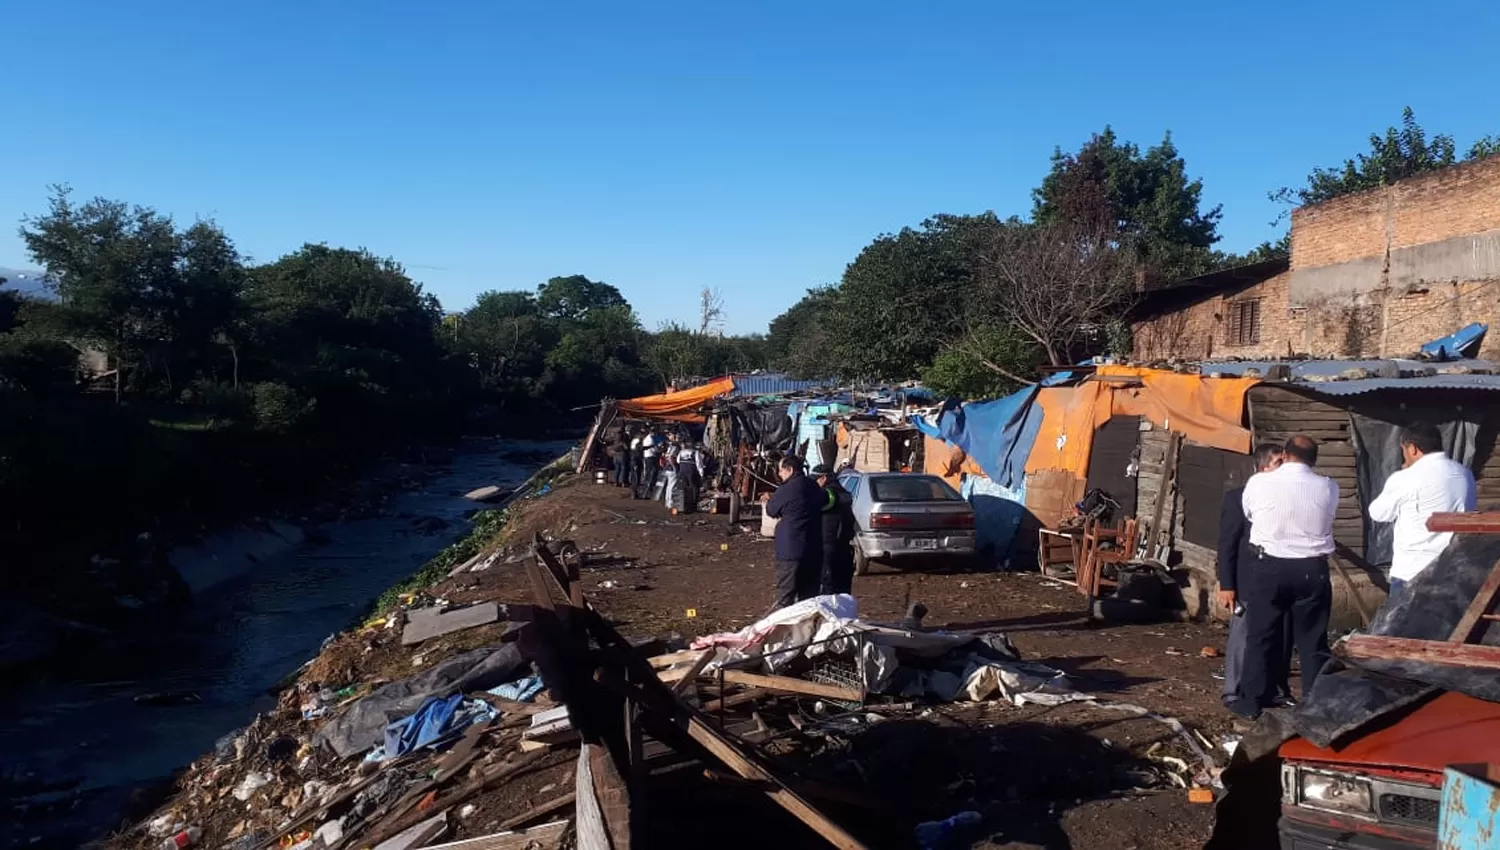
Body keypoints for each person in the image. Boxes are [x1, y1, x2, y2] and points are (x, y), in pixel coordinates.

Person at [1234, 434, 1338, 719]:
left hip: (1269, 565)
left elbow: (1250, 513)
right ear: (1314, 460)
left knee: (1260, 637)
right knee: (1313, 641)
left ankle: (1250, 704)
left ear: (1285, 455)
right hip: (1312, 569)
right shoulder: (1329, 487)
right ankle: (1315, 707)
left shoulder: (1259, 482)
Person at [1217, 443, 1294, 709]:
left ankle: (1276, 690)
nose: (1285, 470)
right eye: (1279, 464)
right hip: (1247, 580)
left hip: (1280, 578)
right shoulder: (1238, 498)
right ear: (1263, 468)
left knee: (1280, 636)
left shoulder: (1287, 499)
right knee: (1243, 635)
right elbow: (1227, 543)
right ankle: (1234, 691)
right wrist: (1227, 584)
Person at [1368, 421, 1476, 602]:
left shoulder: (1406, 477)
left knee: (1403, 629)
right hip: (1452, 569)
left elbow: (1378, 513)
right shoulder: (1464, 473)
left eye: (1403, 450)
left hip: (1413, 572)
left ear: (1412, 449)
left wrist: (1400, 478)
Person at [762, 456, 825, 609]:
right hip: (813, 548)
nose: (779, 474)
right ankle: (807, 631)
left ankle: (784, 630)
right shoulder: (813, 486)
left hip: (790, 550)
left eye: (781, 471)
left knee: (785, 596)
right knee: (809, 598)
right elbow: (822, 501)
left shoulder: (787, 488)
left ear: (790, 470)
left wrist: (771, 499)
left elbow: (771, 510)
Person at [813, 464, 857, 595]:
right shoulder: (845, 494)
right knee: (843, 589)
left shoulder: (829, 495)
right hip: (844, 545)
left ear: (823, 478)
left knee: (828, 586)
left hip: (829, 545)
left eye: (814, 480)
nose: (813, 484)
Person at [675, 441, 703, 514]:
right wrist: (701, 475)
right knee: (694, 488)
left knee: (683, 489)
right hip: (692, 472)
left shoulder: (681, 452)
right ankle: (693, 506)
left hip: (682, 472)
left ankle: (683, 505)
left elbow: (678, 461)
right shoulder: (696, 453)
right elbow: (699, 465)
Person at [637, 429, 660, 500]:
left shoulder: (647, 438)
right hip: (651, 458)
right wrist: (659, 450)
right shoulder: (650, 439)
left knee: (648, 475)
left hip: (648, 458)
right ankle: (646, 493)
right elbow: (654, 448)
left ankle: (646, 492)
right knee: (651, 475)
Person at [628, 429, 645, 494]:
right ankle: (634, 491)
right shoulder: (638, 441)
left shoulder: (634, 440)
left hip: (634, 459)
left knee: (634, 476)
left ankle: (634, 490)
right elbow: (638, 449)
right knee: (636, 476)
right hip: (636, 460)